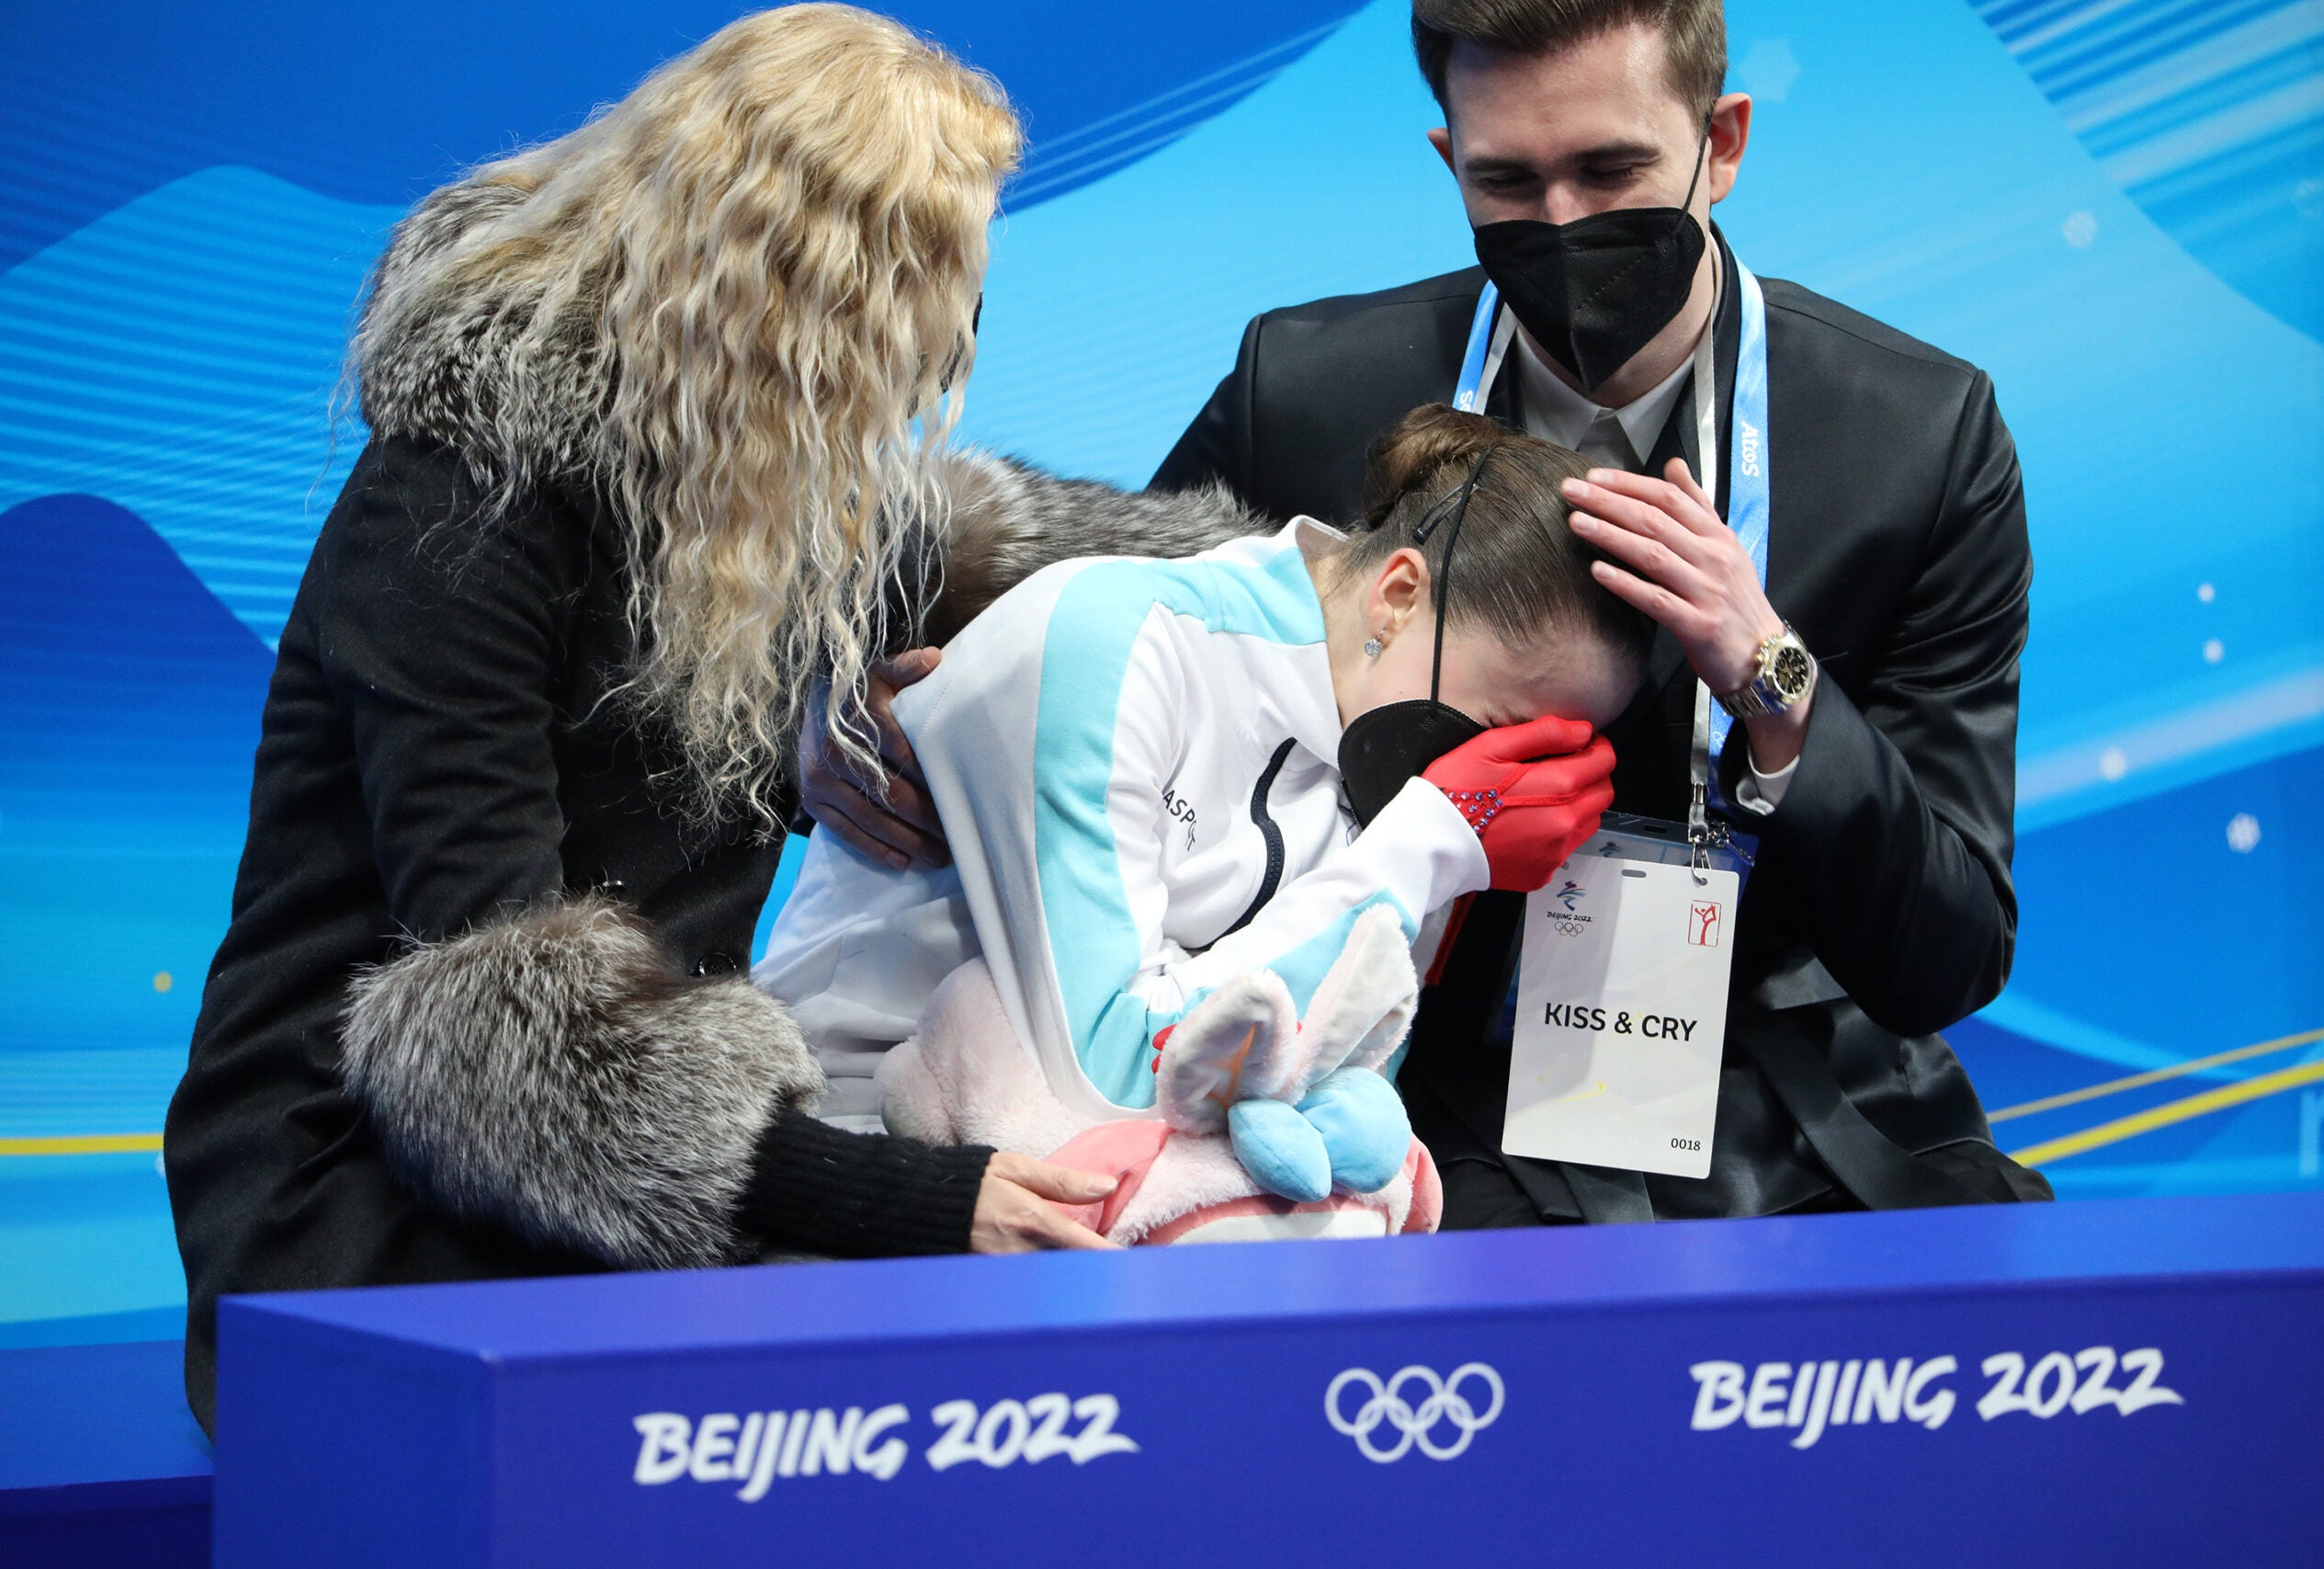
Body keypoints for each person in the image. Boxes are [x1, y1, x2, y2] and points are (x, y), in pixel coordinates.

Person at [809, 0, 2048, 1225]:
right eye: (1509, 181)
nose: (1563, 221)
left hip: (1785, 1103)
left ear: (1721, 141)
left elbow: (1946, 951)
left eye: (1611, 169)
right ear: (1449, 158)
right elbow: (1063, 640)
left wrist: (1772, 674)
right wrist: (851, 725)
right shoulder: (1308, 389)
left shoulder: (1916, 438)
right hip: (1403, 1081)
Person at [164, 5, 1206, 1433]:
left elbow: (1014, 540)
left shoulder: (755, 481)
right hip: (363, 1195)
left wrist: (1326, 574)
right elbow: (498, 1023)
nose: (949, 330)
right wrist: (910, 1198)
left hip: (643, 1187)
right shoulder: (462, 499)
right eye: (926, 276)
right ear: (798, 277)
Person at [763, 409, 1635, 1221]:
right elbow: (1109, 1076)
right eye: (1500, 733)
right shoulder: (1114, 640)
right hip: (861, 1171)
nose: (1503, 779)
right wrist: (1427, 847)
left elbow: (1326, 1087)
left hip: (1105, 1199)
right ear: (1398, 594)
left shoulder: (1407, 757)